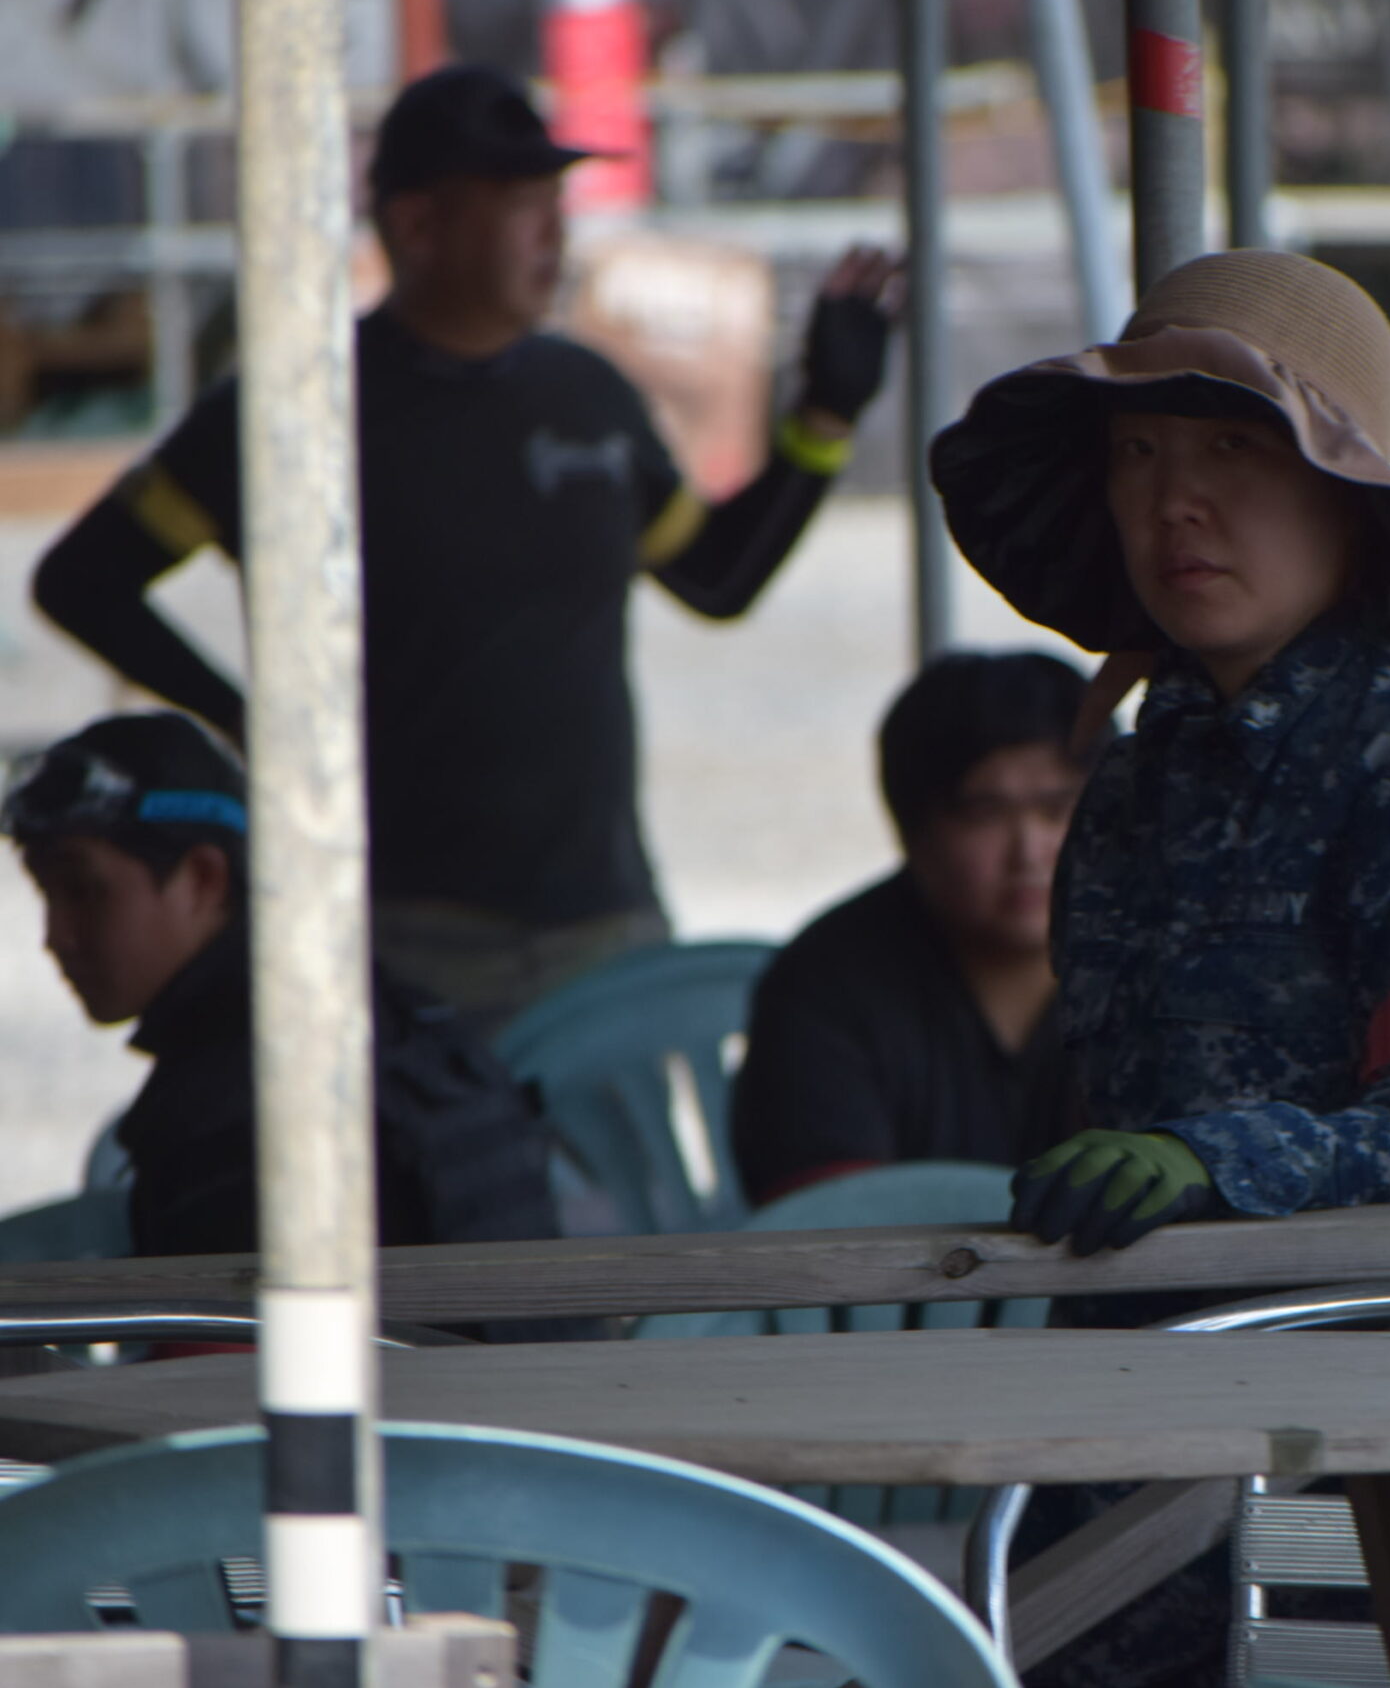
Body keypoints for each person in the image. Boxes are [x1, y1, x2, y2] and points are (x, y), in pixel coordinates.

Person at [29, 63, 901, 1032]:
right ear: (417, 225)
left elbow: (717, 578)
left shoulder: (588, 396)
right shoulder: (298, 408)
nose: (555, 234)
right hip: (393, 928)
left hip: (604, 920)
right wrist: (246, 717)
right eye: (523, 205)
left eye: (557, 202)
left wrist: (823, 417)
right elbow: (83, 580)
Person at [931, 248, 1390, 1258]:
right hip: (1147, 1327)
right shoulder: (1135, 778)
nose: (1174, 501)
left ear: (1345, 492)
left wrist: (1218, 1162)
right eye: (1137, 451)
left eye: (1234, 445)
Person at [4, 712, 562, 1258]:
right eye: (46, 894)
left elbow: (217, 1325)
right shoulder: (379, 1022)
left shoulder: (248, 1094)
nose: (55, 937)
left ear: (203, 879)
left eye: (84, 891)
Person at [730, 651, 1101, 1205]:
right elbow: (830, 1224)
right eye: (984, 813)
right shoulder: (824, 986)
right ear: (911, 828)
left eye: (1057, 809)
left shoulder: (1159, 962)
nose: (1029, 851)